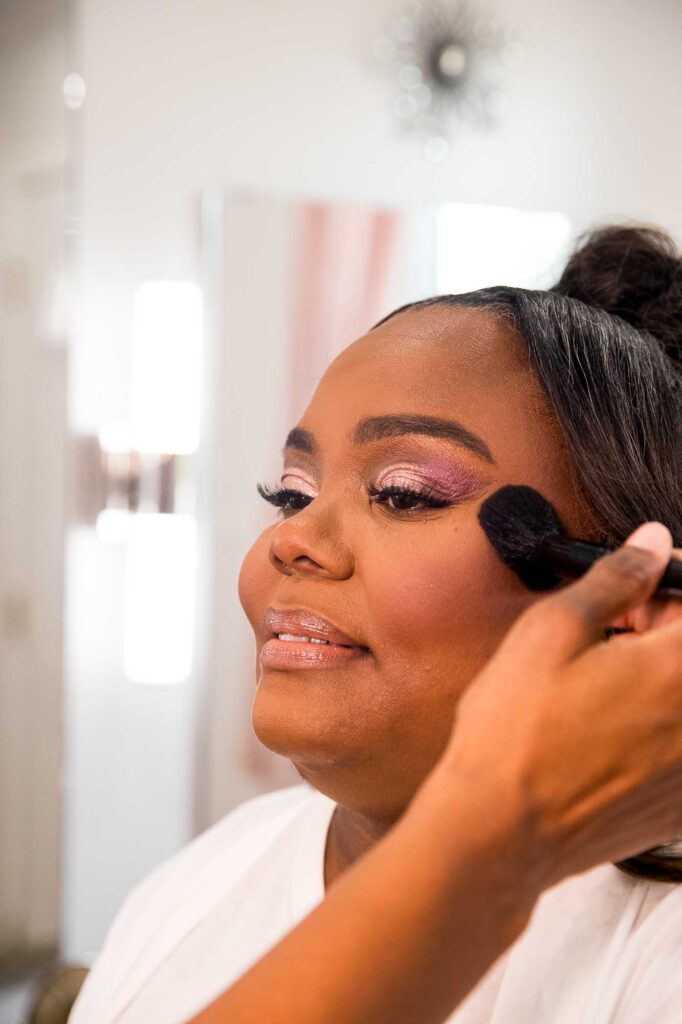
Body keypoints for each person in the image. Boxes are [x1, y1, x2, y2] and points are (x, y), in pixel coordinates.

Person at [68, 226, 682, 1024]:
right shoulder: (192, 885)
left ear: (630, 596)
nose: (291, 537)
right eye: (291, 494)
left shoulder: (657, 952)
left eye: (403, 494)